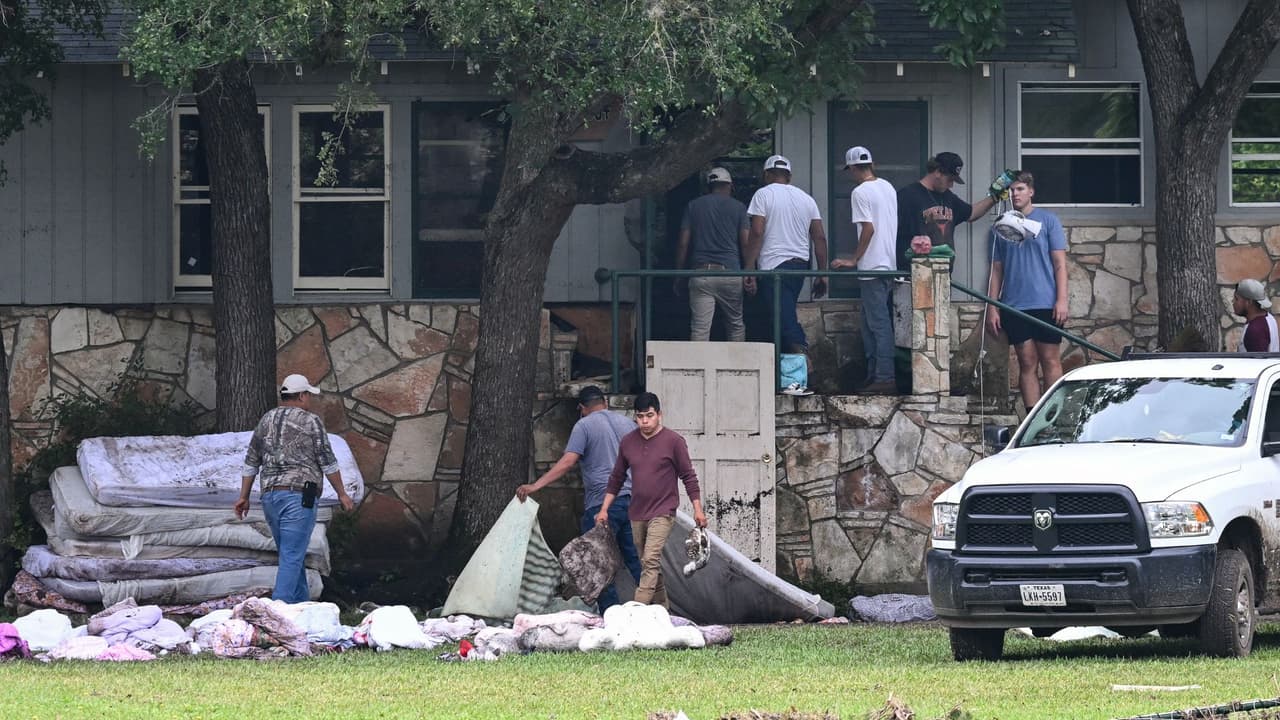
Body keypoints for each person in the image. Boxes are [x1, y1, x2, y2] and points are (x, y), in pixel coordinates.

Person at [515, 385, 642, 611]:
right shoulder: (627, 424)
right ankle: (655, 607)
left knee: (597, 561)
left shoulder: (584, 426)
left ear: (582, 408)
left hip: (602, 504)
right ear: (604, 402)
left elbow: (568, 462)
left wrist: (535, 485)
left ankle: (610, 614)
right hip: (631, 501)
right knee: (635, 559)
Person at [236, 373, 356, 603]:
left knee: (292, 556)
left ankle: (303, 607)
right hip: (299, 497)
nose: (309, 399)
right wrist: (342, 493)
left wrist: (243, 497)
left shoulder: (266, 420)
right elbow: (327, 461)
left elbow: (251, 461)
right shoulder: (311, 422)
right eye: (308, 395)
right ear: (301, 395)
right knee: (292, 556)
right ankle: (277, 612)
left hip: (270, 497)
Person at [595, 393, 707, 608]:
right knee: (648, 563)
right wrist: (604, 509)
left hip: (663, 511)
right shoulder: (628, 442)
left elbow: (689, 476)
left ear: (659, 415)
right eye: (640, 416)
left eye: (650, 415)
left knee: (650, 559)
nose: (645, 421)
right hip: (637, 512)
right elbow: (616, 477)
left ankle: (637, 611)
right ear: (635, 417)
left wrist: (698, 509)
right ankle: (663, 613)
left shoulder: (674, 441)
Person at [743, 155, 828, 395]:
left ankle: (802, 375)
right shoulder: (806, 199)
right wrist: (822, 274)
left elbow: (757, 231)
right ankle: (789, 377)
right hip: (800, 266)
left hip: (774, 268)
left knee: (784, 319)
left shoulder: (763, 194)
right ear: (789, 176)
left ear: (767, 174)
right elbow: (819, 237)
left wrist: (749, 268)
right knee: (782, 315)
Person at [983, 172, 1068, 413]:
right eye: (1011, 190)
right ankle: (1032, 418)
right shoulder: (1000, 226)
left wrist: (1061, 300)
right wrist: (992, 306)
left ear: (1031, 191)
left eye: (1020, 189)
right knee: (1026, 361)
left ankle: (1053, 416)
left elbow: (1060, 264)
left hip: (1045, 302)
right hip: (1014, 304)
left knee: (1050, 360)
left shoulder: (1049, 221)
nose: (1015, 194)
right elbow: (996, 270)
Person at [831, 146, 899, 394]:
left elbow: (868, 229)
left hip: (872, 265)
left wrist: (853, 259)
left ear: (852, 168)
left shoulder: (860, 192)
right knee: (870, 322)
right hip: (888, 265)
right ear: (872, 164)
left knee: (878, 324)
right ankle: (873, 374)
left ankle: (885, 376)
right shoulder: (888, 187)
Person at [675, 167, 750, 342]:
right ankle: (737, 366)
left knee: (700, 328)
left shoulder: (693, 206)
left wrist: (679, 275)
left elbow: (683, 243)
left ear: (708, 186)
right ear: (730, 186)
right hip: (731, 273)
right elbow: (746, 243)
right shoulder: (739, 208)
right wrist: (749, 272)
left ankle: (700, 368)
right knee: (735, 324)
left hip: (701, 274)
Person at [895, 152, 1004, 268]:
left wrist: (995, 197)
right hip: (912, 271)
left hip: (943, 272)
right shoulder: (907, 196)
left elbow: (971, 213)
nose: (951, 185)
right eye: (949, 179)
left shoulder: (948, 197)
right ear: (937, 172)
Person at [1233, 278, 1279, 352]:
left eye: (1236, 299)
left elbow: (1258, 363)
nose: (1233, 302)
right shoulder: (1268, 317)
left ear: (1249, 302)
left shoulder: (1255, 330)